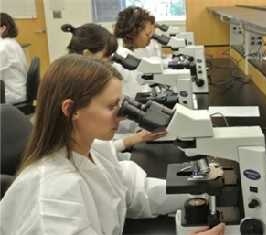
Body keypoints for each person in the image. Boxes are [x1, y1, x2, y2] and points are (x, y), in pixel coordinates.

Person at [0, 54, 225, 235]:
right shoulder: (52, 198)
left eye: (121, 104)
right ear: (71, 110)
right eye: (111, 107)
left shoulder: (94, 149)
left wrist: (206, 191)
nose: (122, 115)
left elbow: (137, 194)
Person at [61, 23, 164, 153]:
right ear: (87, 54)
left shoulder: (83, 77)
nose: (111, 62)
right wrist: (133, 139)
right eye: (106, 56)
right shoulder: (73, 87)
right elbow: (88, 150)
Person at [0, 12, 27, 104]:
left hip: (12, 95)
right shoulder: (11, 43)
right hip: (17, 91)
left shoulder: (4, 47)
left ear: (2, 28)